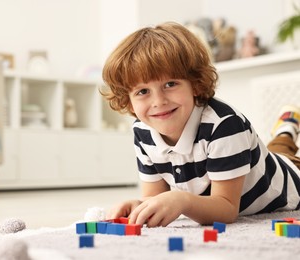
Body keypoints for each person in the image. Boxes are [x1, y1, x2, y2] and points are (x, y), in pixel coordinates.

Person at [101, 22, 300, 227]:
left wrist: (182, 200)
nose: (158, 101)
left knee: (282, 157)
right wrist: (139, 206)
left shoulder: (224, 125)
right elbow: (154, 198)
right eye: (142, 92)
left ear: (195, 85)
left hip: (289, 182)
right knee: (275, 149)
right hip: (257, 161)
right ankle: (287, 126)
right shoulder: (143, 130)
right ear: (128, 101)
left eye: (170, 84)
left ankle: (287, 127)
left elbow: (226, 209)